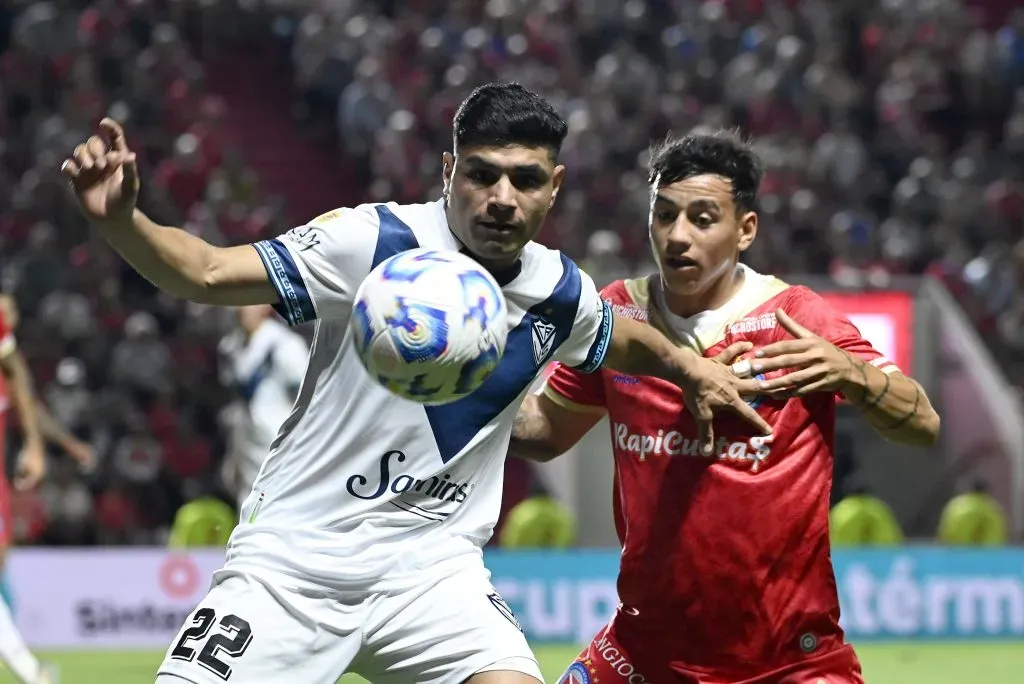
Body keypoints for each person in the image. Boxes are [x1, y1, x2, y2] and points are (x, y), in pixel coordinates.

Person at [61, 83, 770, 684]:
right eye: (481, 174)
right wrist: (124, 222)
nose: (500, 198)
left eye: (524, 180)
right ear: (446, 173)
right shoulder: (373, 241)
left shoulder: (558, 288)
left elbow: (618, 335)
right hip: (294, 564)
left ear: (553, 188)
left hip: (433, 573)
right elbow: (208, 272)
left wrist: (689, 366)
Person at [511, 130, 941, 684]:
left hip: (789, 662)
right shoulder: (620, 313)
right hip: (643, 653)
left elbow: (923, 423)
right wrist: (456, 391)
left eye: (702, 218)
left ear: (746, 230)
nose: (676, 236)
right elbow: (545, 432)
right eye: (663, 215)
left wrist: (850, 373)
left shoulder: (796, 316)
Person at [0, 294, 93, 684]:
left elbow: (30, 406)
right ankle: (29, 670)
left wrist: (49, 446)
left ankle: (28, 668)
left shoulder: (10, 381)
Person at [217, 304, 309, 509]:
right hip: (244, 434)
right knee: (243, 491)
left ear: (266, 306)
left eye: (249, 303)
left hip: (276, 434)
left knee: (278, 496)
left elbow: (306, 393)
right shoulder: (230, 345)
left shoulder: (285, 343)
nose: (242, 309)